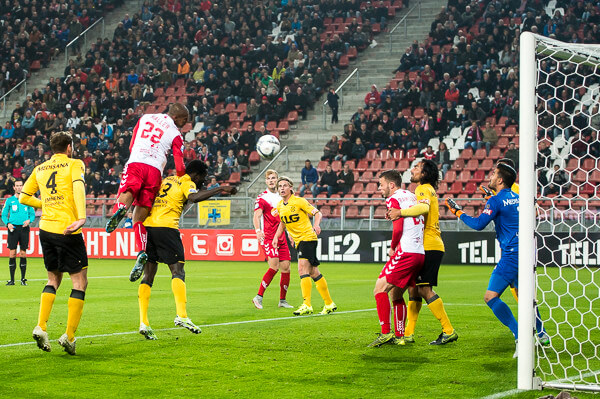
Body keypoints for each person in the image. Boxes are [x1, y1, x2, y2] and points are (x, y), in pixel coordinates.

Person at [445, 163, 549, 357]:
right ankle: (541, 333)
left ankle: (520, 335)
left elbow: (478, 225)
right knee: (524, 296)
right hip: (526, 253)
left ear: (500, 180)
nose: (491, 177)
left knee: (490, 297)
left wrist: (457, 212)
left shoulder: (495, 201)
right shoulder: (518, 198)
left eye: (493, 174)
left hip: (510, 255)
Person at [138, 160, 237, 340]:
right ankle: (182, 316)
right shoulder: (187, 182)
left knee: (148, 276)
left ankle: (144, 322)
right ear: (196, 175)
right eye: (203, 179)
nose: (202, 182)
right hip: (167, 228)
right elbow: (194, 197)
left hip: (148, 227)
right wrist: (221, 189)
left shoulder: (167, 179)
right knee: (178, 271)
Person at [20, 132, 88, 355]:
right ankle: (68, 336)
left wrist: (46, 204)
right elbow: (78, 188)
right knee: (79, 282)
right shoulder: (75, 164)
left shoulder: (40, 168)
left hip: (46, 229)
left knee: (53, 278)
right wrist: (82, 216)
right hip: (68, 230)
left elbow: (24, 197)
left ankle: (41, 326)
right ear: (69, 147)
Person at [105, 103, 189, 282]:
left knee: (128, 190)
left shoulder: (145, 117)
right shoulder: (176, 134)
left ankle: (120, 208)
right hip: (155, 171)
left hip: (136, 162)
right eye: (185, 119)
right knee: (138, 218)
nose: (186, 123)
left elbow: (132, 144)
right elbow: (180, 167)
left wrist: (138, 155)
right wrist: (183, 177)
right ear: (178, 117)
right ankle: (142, 252)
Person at [387, 160, 457, 345]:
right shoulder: (427, 189)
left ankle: (448, 330)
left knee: (424, 289)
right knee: (414, 288)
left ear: (425, 173)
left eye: (417, 167)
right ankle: (408, 333)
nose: (412, 169)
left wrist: (400, 212)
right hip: (429, 244)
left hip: (428, 244)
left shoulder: (422, 188)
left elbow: (424, 208)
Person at [369, 170, 425, 347]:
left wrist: (393, 247)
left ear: (391, 185)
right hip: (419, 252)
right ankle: (400, 336)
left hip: (406, 251)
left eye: (381, 184)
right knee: (396, 292)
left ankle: (386, 332)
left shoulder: (393, 199)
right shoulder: (411, 196)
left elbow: (398, 228)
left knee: (379, 289)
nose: (380, 188)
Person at [272, 176, 336, 316]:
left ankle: (307, 304)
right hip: (300, 241)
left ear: (291, 188)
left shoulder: (299, 201)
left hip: (308, 238)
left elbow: (317, 213)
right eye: (280, 186)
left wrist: (316, 224)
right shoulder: (280, 206)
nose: (282, 188)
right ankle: (329, 303)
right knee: (313, 272)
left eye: (284, 185)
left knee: (302, 269)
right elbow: (283, 223)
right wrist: (277, 237)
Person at [252, 170, 293, 310]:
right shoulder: (263, 198)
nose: (271, 180)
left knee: (286, 268)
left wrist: (290, 234)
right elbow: (256, 216)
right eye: (268, 178)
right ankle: (258, 297)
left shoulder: (283, 198)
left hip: (281, 237)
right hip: (268, 237)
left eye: (273, 178)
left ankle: (282, 300)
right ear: (265, 181)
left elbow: (285, 219)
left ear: (277, 180)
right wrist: (258, 231)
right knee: (274, 266)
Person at [2, 179, 35, 285]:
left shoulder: (27, 200)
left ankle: (23, 279)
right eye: (17, 185)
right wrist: (7, 223)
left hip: (24, 229)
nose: (19, 187)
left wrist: (29, 220)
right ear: (14, 187)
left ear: (23, 187)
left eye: (21, 185)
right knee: (12, 253)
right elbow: (3, 214)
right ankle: (12, 280)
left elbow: (32, 214)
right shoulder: (9, 200)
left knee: (23, 253)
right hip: (13, 229)